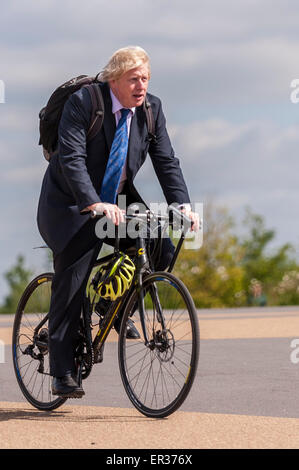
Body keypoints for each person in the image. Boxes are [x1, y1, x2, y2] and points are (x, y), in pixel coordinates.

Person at [37, 46, 200, 398]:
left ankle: (112, 305)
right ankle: (62, 371)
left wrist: (183, 206)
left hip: (117, 201)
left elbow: (166, 161)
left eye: (145, 79)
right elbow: (72, 158)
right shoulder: (85, 103)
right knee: (74, 277)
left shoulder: (151, 109)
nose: (141, 86)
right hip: (69, 204)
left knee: (160, 243)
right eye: (133, 79)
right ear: (114, 79)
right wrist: (93, 202)